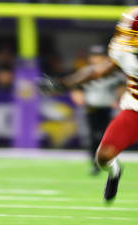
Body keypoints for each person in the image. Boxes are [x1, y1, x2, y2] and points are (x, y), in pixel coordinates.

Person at [39, 7, 138, 203]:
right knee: (103, 156)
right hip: (135, 110)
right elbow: (98, 70)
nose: (126, 38)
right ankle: (115, 171)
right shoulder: (126, 51)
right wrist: (64, 83)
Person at [69, 45, 125, 175]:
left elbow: (121, 87)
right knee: (93, 137)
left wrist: (118, 99)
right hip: (92, 108)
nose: (97, 59)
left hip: (108, 108)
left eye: (100, 56)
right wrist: (79, 99)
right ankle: (95, 164)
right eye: (95, 56)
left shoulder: (113, 73)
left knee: (108, 137)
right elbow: (76, 89)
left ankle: (108, 161)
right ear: (90, 58)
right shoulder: (85, 72)